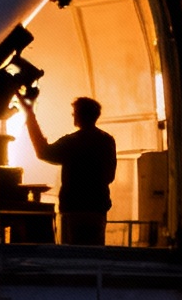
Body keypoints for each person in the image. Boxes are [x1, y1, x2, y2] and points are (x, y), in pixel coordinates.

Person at [22, 95, 117, 246]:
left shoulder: (72, 141)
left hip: (73, 208)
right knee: (94, 251)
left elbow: (43, 152)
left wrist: (30, 116)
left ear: (80, 115)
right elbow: (109, 176)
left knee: (72, 251)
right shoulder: (107, 140)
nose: (73, 115)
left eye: (74, 112)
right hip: (98, 208)